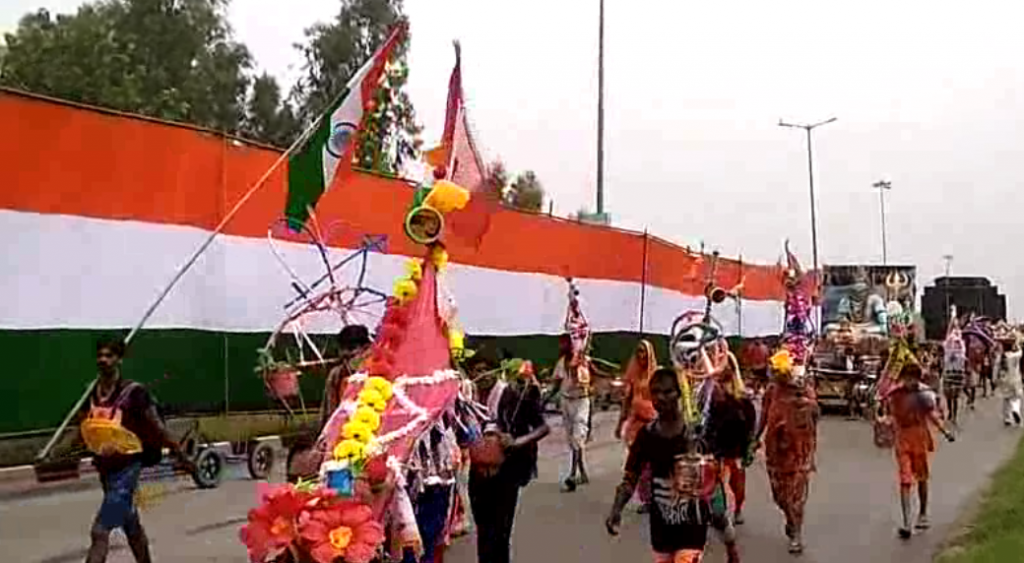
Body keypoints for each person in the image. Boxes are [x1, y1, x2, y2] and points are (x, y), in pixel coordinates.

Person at [79, 337, 195, 563]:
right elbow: (84, 427)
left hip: (126, 471)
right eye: (100, 355)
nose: (103, 360)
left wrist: (181, 456)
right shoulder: (92, 393)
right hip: (105, 470)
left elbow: (158, 428)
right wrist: (60, 456)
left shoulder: (134, 393)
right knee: (131, 525)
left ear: (119, 359)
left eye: (109, 355)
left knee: (99, 531)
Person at [606, 368, 733, 563]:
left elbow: (712, 481)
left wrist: (727, 537)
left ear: (679, 393)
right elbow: (631, 477)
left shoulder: (695, 434)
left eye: (667, 392)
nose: (661, 398)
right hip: (661, 524)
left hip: (693, 524)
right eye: (655, 393)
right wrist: (616, 509)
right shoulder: (646, 436)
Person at [468, 352, 550, 563]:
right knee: (483, 531)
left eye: (486, 369)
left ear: (495, 372)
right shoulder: (467, 397)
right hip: (477, 473)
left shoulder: (511, 395)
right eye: (476, 370)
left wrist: (516, 441)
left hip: (507, 472)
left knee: (500, 533)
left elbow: (542, 427)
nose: (482, 374)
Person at [756, 351, 819, 554]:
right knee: (780, 497)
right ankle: (790, 520)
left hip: (799, 450)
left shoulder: (804, 390)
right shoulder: (772, 391)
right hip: (775, 452)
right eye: (774, 373)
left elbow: (816, 414)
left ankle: (797, 535)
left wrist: (805, 404)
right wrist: (754, 438)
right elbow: (764, 416)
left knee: (796, 496)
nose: (777, 376)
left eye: (779, 373)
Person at [883, 362, 955, 539]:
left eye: (913, 379)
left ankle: (922, 513)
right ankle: (907, 523)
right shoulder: (895, 394)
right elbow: (889, 413)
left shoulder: (924, 395)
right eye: (907, 378)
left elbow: (932, 415)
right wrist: (885, 422)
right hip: (902, 439)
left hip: (919, 437)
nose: (910, 382)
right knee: (905, 479)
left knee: (922, 477)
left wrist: (945, 431)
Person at [704, 360, 757, 527]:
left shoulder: (743, 399)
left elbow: (750, 423)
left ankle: (738, 509)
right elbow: (705, 421)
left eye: (727, 368)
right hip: (717, 447)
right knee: (715, 483)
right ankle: (718, 513)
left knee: (738, 485)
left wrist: (750, 445)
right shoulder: (711, 396)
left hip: (737, 448)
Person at [615, 340, 658, 512]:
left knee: (650, 465)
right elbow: (626, 401)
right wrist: (620, 424)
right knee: (637, 463)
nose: (641, 355)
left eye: (644, 352)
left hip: (652, 424)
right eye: (639, 351)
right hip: (635, 424)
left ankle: (654, 498)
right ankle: (646, 498)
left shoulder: (656, 375)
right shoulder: (633, 375)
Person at [548, 334, 592, 492]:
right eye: (561, 344)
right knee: (573, 440)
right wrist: (545, 400)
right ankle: (583, 472)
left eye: (565, 343)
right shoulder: (561, 363)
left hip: (581, 401)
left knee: (577, 436)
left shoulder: (583, 360)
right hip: (566, 402)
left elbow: (594, 374)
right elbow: (556, 385)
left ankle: (573, 473)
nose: (562, 346)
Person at [319, 324, 372, 430]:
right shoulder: (336, 374)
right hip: (342, 430)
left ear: (366, 348)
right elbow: (329, 409)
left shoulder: (378, 370)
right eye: (343, 349)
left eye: (351, 349)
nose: (345, 353)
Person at [994, 337, 1023, 427]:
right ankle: (1015, 409)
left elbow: (996, 368)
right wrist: (1017, 345)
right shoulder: (1015, 356)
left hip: (1005, 380)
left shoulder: (1001, 357)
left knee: (1006, 399)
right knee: (1016, 397)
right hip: (1015, 379)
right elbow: (1020, 352)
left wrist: (994, 379)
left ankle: (1007, 418)